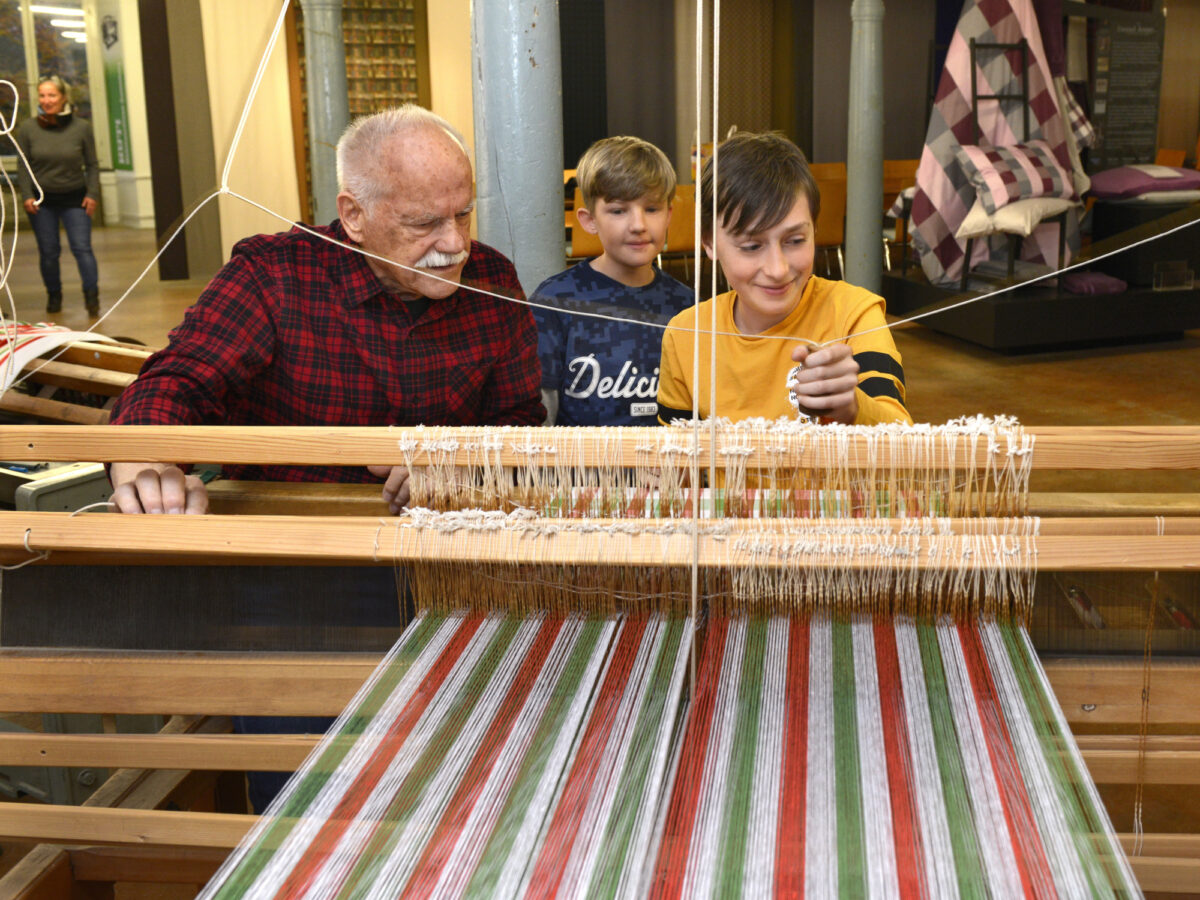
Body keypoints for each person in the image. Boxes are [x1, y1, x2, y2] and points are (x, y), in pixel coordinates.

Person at [108, 103, 544, 514]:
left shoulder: (493, 278)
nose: (455, 244)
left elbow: (518, 418)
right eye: (423, 223)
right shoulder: (274, 275)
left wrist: (463, 464)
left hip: (443, 528)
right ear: (354, 216)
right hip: (292, 532)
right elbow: (179, 381)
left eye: (463, 215)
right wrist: (147, 466)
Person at [657, 131, 910, 426]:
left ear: (814, 230)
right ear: (709, 242)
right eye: (752, 246)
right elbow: (675, 453)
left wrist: (853, 406)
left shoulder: (853, 314)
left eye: (795, 240)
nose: (777, 269)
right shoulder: (685, 335)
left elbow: (901, 439)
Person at [533, 136, 693, 426]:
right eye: (618, 211)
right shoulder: (554, 301)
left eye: (652, 209)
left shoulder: (689, 307)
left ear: (669, 214)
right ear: (589, 220)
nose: (638, 225)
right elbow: (540, 415)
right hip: (580, 457)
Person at [16, 75, 101, 316]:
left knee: (82, 248)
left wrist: (92, 193)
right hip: (42, 201)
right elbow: (23, 166)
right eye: (42, 95)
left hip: (76, 198)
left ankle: (92, 297)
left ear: (63, 97)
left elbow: (92, 164)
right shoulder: (28, 129)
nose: (47, 100)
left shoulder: (81, 128)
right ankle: (54, 295)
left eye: (52, 95)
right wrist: (26, 195)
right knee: (49, 252)